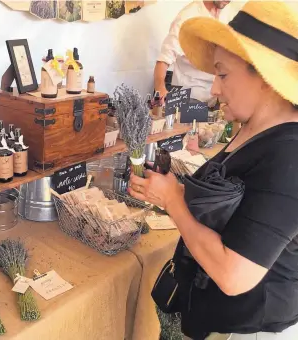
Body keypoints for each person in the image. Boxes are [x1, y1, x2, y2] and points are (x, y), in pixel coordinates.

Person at [130, 1, 298, 339]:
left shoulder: (289, 156)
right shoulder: (254, 127)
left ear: (264, 76)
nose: (215, 89)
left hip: (248, 327)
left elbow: (234, 275)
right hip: (214, 314)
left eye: (222, 74)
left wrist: (175, 201)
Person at [154, 1, 236, 103]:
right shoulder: (187, 17)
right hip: (191, 96)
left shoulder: (230, 13)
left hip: (217, 95)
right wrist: (160, 88)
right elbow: (163, 60)